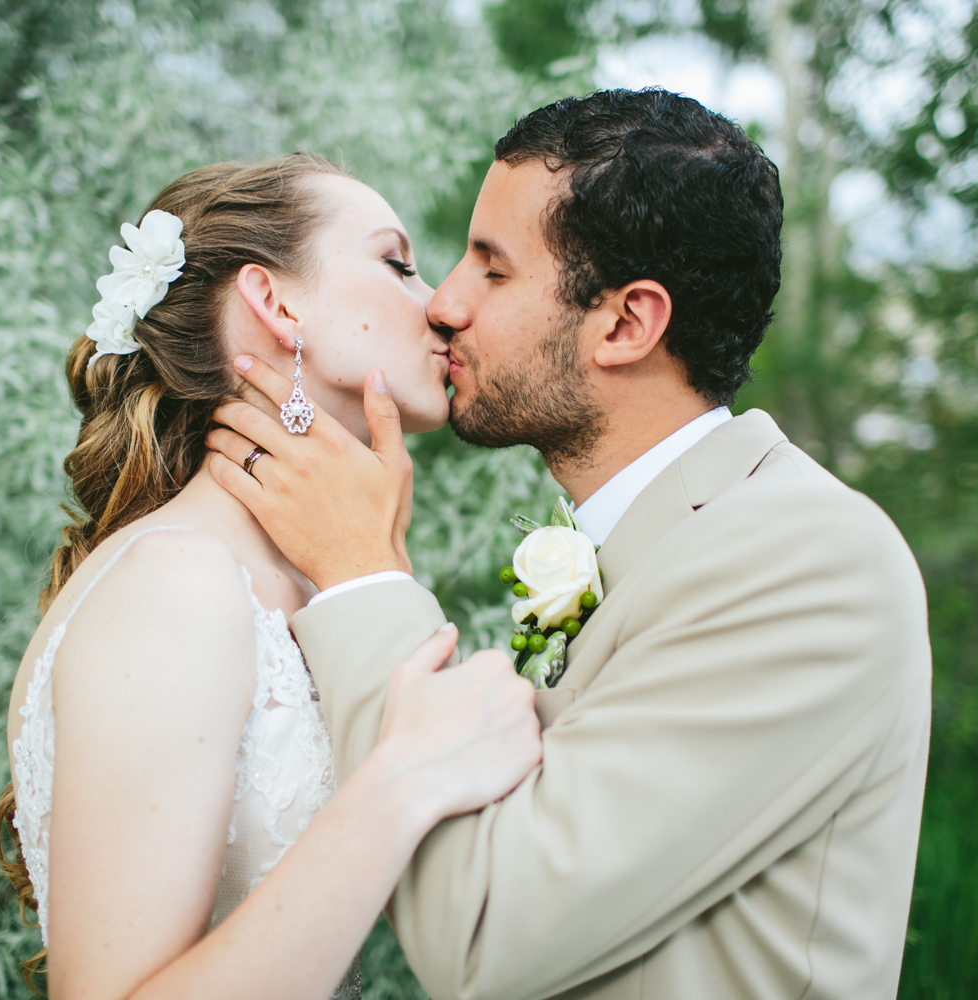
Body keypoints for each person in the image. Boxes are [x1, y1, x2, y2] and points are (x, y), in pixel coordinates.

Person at [207, 90, 932, 999]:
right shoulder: (612, 544)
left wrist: (359, 573)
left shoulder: (812, 560)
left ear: (626, 324)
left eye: (493, 272)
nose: (444, 305)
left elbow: (485, 934)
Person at [0, 153, 543, 1000]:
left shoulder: (307, 585)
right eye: (396, 263)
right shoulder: (176, 584)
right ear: (276, 304)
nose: (436, 303)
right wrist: (402, 782)